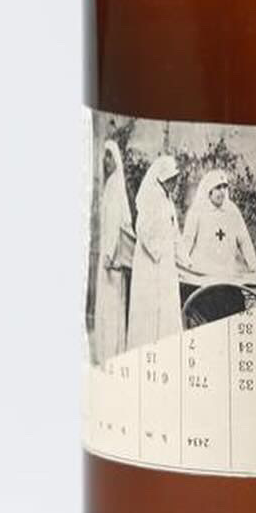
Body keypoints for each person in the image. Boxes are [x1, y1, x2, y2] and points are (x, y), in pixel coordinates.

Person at [127, 153, 183, 349]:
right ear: (162, 178)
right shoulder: (150, 197)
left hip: (164, 263)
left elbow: (174, 231)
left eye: (175, 178)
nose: (174, 183)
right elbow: (142, 228)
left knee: (165, 310)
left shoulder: (167, 200)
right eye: (171, 179)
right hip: (150, 263)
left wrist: (184, 258)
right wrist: (158, 252)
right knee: (148, 311)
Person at [91, 138, 134, 362]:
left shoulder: (116, 186)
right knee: (108, 303)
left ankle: (111, 352)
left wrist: (109, 254)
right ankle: (107, 351)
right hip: (108, 253)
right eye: (105, 156)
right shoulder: (111, 185)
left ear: (116, 158)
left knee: (112, 304)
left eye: (110, 155)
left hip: (113, 255)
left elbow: (117, 223)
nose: (106, 160)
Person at [181, 168, 256, 280]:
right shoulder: (197, 210)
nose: (222, 191)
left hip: (227, 272)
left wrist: (254, 267)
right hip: (202, 272)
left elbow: (244, 241)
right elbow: (188, 239)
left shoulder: (232, 210)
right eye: (218, 188)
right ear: (209, 191)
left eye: (224, 187)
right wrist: (184, 266)